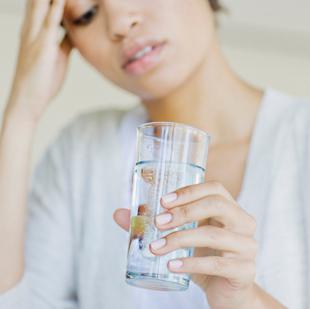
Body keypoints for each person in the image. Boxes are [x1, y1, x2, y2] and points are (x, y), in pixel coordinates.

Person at [0, 0, 309, 308]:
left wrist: (247, 302)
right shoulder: (82, 152)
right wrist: (20, 114)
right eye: (86, 14)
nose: (120, 24)